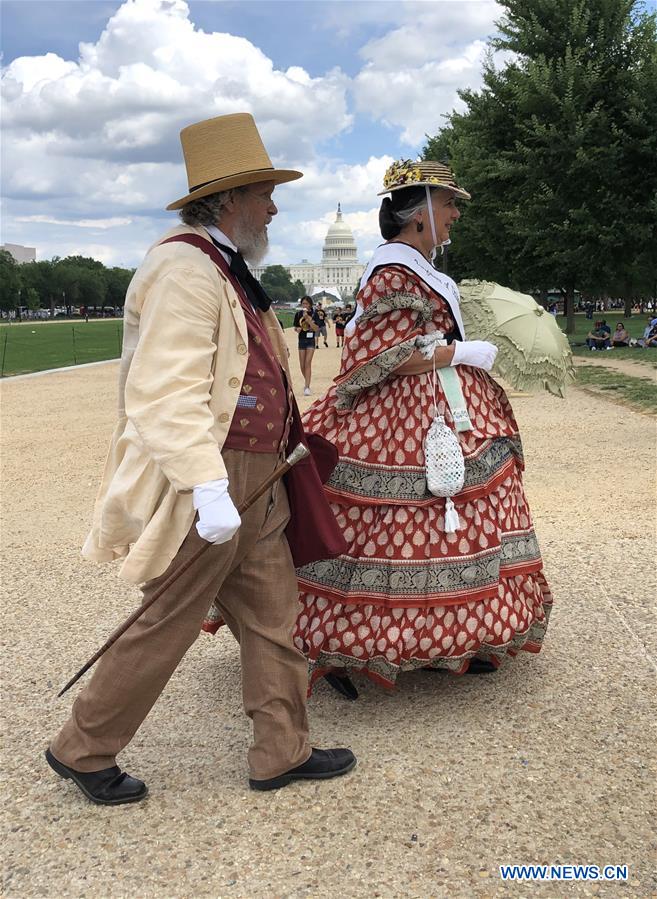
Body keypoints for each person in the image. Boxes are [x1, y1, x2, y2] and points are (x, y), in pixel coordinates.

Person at [45, 112, 356, 804]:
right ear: (226, 201)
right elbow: (164, 390)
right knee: (169, 617)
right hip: (214, 475)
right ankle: (83, 745)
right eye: (263, 193)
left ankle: (281, 747)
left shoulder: (224, 265)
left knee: (274, 613)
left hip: (260, 472)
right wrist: (206, 485)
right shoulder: (185, 269)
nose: (274, 206)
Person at [291, 158, 553, 698]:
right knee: (382, 524)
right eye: (449, 203)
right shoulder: (392, 273)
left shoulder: (418, 269)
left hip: (440, 403)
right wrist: (462, 351)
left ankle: (437, 639)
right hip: (402, 414)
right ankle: (341, 644)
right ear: (419, 215)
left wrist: (456, 351)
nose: (456, 213)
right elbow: (375, 352)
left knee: (439, 523)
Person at [294, 296, 320, 395]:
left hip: (311, 340)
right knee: (302, 365)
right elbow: (295, 327)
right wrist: (297, 329)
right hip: (301, 340)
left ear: (310, 304)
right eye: (303, 303)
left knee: (307, 363)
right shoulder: (298, 314)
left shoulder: (315, 314)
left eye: (306, 303)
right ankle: (307, 381)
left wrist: (308, 319)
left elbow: (316, 328)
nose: (304, 305)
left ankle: (307, 386)